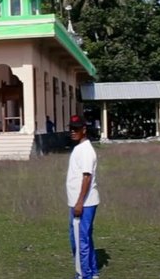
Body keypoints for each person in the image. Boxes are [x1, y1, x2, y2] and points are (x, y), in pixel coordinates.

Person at [66, 114, 100, 279]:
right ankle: (92, 272)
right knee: (84, 238)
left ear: (84, 130)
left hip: (84, 203)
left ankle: (83, 274)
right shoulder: (79, 148)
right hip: (80, 202)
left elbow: (87, 177)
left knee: (79, 241)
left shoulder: (86, 150)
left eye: (76, 129)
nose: (73, 132)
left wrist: (79, 202)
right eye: (71, 129)